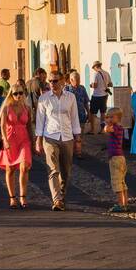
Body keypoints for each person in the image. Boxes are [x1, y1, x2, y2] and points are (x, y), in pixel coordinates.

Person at [34, 72, 81, 210]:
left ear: (62, 81)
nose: (52, 84)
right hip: (50, 137)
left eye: (55, 81)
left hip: (67, 137)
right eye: (50, 81)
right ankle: (57, 200)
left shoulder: (70, 97)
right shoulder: (44, 99)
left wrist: (78, 138)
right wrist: (38, 140)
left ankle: (62, 194)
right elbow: (40, 121)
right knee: (53, 169)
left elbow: (74, 118)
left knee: (66, 171)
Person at [0, 83, 33, 209]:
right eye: (15, 93)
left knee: (24, 167)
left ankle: (23, 196)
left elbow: (29, 126)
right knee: (10, 169)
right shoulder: (7, 107)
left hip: (24, 139)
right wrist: (5, 140)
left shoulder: (27, 108)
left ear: (24, 93)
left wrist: (33, 143)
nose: (18, 95)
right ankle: (12, 197)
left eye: (20, 93)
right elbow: (2, 126)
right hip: (10, 139)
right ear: (11, 95)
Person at [103, 108, 128, 213]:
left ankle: (120, 204)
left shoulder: (116, 127)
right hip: (120, 157)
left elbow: (106, 130)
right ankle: (125, 203)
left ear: (118, 118)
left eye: (111, 117)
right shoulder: (120, 127)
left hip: (115, 158)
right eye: (108, 117)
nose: (109, 119)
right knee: (122, 182)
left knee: (117, 182)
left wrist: (106, 123)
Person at [65, 70, 90, 160]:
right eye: (77, 80)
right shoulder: (66, 90)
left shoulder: (82, 88)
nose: (79, 81)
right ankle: (71, 152)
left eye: (79, 79)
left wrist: (88, 112)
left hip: (81, 115)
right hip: (70, 117)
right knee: (71, 135)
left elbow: (86, 101)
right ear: (71, 80)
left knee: (80, 135)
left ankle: (78, 152)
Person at [89, 61, 111, 132]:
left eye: (94, 68)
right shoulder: (107, 73)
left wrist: (91, 85)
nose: (94, 69)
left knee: (92, 113)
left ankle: (92, 129)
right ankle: (102, 129)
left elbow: (95, 85)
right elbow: (110, 84)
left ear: (96, 67)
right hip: (104, 95)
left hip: (96, 96)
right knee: (103, 113)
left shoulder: (96, 74)